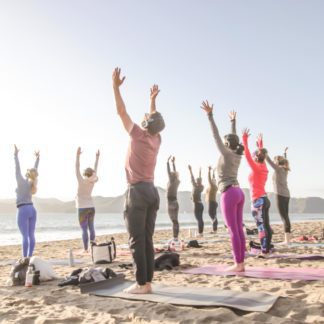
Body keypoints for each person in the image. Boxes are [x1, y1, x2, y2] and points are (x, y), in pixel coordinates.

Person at [112, 67, 165, 294]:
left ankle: (141, 284)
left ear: (145, 124)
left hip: (137, 192)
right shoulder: (156, 138)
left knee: (136, 240)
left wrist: (115, 88)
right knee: (147, 239)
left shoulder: (137, 133)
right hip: (152, 192)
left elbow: (121, 111)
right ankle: (148, 282)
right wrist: (152, 101)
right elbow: (153, 121)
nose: (143, 117)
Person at [201, 104, 245, 272]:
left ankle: (238, 264)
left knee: (233, 230)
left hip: (229, 193)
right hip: (239, 192)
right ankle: (241, 262)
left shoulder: (226, 153)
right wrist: (233, 121)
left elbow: (215, 135)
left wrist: (210, 116)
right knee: (238, 228)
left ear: (227, 143)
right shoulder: (237, 153)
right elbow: (233, 139)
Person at [242, 131, 272, 254]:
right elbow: (261, 154)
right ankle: (267, 246)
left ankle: (264, 248)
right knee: (266, 225)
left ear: (256, 157)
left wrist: (244, 139)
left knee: (261, 226)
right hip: (265, 199)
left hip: (258, 201)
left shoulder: (256, 167)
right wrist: (260, 143)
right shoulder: (264, 166)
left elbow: (247, 154)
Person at [14, 145, 40, 258]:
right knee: (31, 235)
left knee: (24, 236)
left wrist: (15, 155)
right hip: (32, 209)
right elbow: (35, 170)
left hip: (23, 209)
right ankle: (29, 256)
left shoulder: (20, 180)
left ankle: (25, 258)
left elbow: (17, 167)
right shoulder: (32, 182)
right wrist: (37, 159)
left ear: (27, 173)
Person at [75, 147, 100, 253]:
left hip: (82, 208)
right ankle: (93, 247)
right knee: (91, 227)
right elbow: (95, 169)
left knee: (84, 229)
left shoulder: (81, 180)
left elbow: (77, 167)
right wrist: (97, 158)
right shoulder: (92, 181)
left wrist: (77, 155)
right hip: (91, 207)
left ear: (85, 174)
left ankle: (85, 249)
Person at [266, 147, 291, 244]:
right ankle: (287, 239)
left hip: (280, 195)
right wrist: (284, 153)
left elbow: (268, 160)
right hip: (286, 195)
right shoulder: (285, 169)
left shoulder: (278, 168)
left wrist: (262, 149)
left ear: (276, 162)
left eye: (274, 160)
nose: (273, 161)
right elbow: (285, 161)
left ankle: (287, 240)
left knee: (284, 217)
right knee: (286, 216)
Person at [166, 156, 180, 241]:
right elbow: (174, 172)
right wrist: (173, 163)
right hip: (175, 202)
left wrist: (168, 163)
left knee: (173, 221)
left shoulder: (171, 181)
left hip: (170, 203)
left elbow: (168, 172)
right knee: (176, 221)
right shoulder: (176, 181)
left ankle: (175, 237)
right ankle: (175, 237)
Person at [188, 165, 204, 236]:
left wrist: (190, 170)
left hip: (197, 205)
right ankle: (201, 232)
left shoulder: (195, 186)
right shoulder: (201, 186)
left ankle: (200, 233)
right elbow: (199, 179)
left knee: (198, 219)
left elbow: (192, 178)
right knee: (200, 219)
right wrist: (200, 172)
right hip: (200, 205)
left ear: (197, 182)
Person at [205, 166, 218, 233]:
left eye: (213, 181)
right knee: (214, 215)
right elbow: (212, 179)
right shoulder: (213, 186)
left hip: (212, 202)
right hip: (213, 203)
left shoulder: (213, 186)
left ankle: (214, 221)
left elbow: (210, 179)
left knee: (210, 214)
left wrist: (209, 171)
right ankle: (214, 230)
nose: (212, 181)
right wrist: (213, 172)